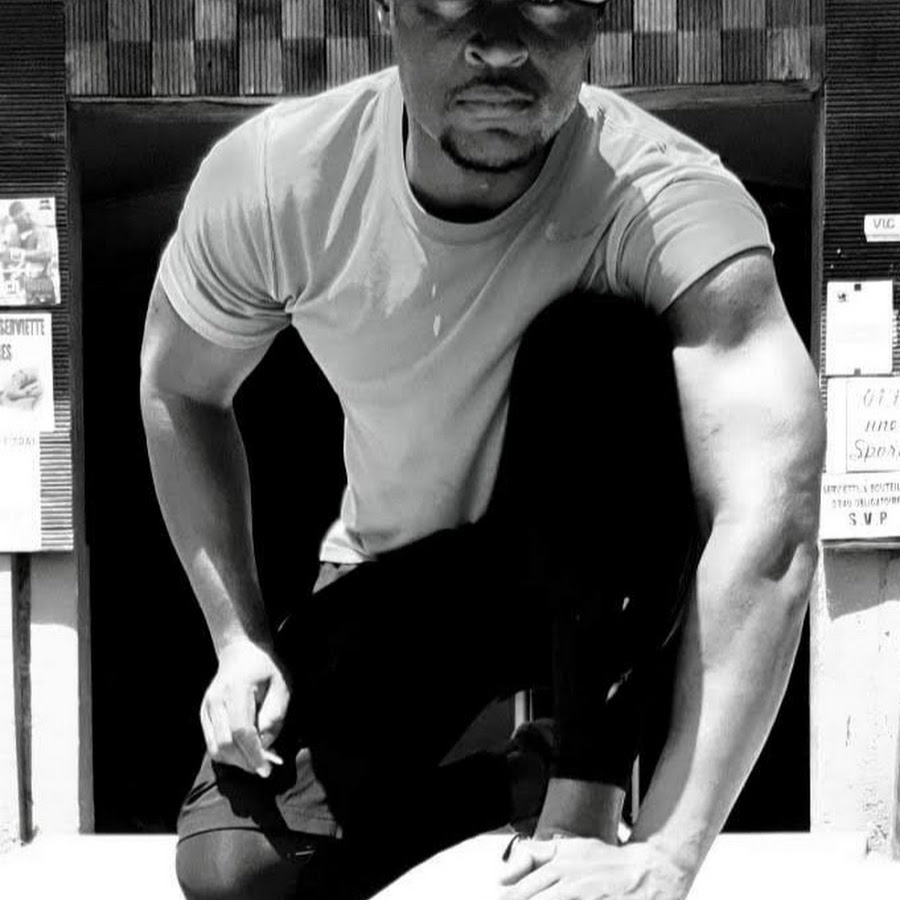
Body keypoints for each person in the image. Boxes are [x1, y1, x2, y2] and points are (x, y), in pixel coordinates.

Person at [139, 2, 825, 899]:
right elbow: (181, 388)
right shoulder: (281, 181)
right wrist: (238, 641)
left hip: (601, 570)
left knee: (601, 346)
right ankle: (519, 778)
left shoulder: (670, 204)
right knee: (234, 872)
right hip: (408, 575)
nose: (499, 42)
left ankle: (584, 794)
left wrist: (666, 853)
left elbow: (770, 515)